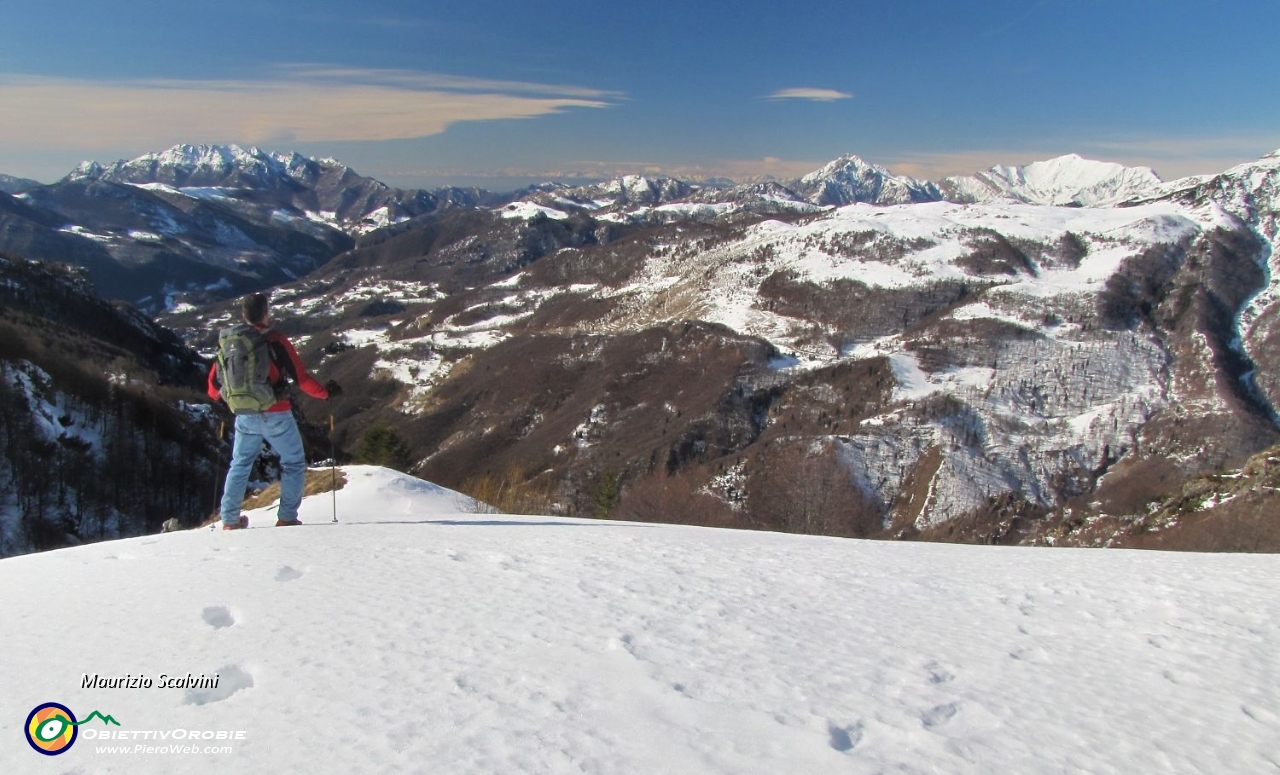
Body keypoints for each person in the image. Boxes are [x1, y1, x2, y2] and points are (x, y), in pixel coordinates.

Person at [208, 293, 341, 529]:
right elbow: (300, 378)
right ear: (266, 313)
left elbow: (213, 387)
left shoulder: (230, 342)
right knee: (293, 463)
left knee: (240, 464)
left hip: (244, 414)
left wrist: (234, 398)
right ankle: (286, 517)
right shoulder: (274, 339)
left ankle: (229, 519)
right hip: (275, 412)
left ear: (243, 315)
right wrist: (326, 393)